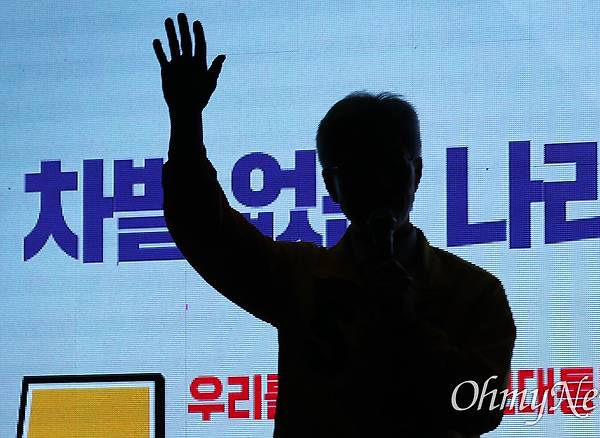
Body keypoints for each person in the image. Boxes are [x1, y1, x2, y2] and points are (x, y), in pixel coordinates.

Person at [154, 12, 516, 438]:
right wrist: (185, 121)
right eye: (359, 169)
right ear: (331, 184)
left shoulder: (475, 292)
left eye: (391, 165)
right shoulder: (298, 278)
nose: (378, 182)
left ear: (417, 172)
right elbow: (205, 230)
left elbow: (480, 410)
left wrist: (405, 324)